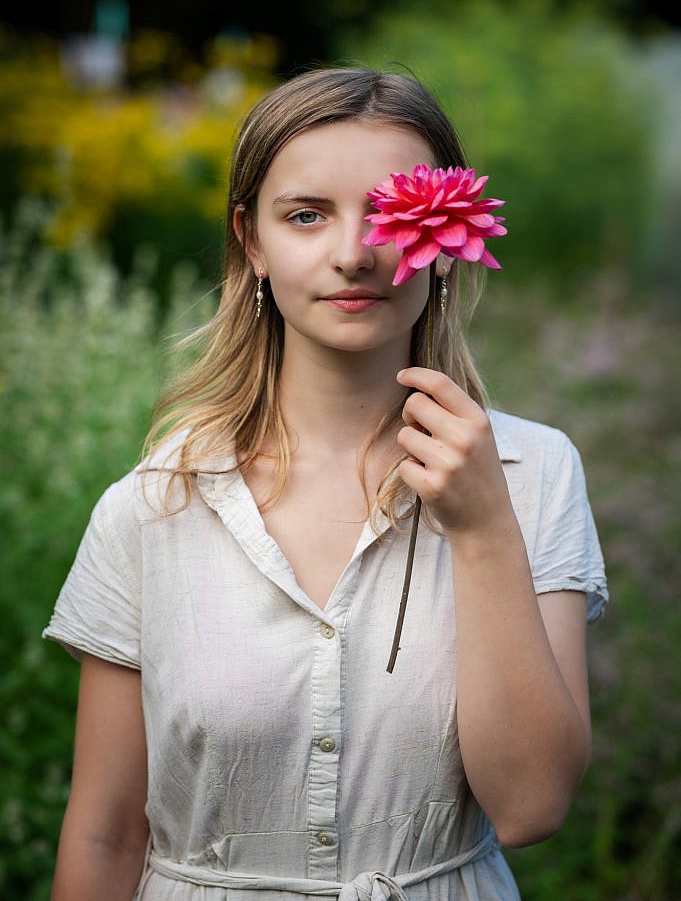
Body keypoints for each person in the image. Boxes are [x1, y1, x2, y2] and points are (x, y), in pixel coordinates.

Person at [43, 67, 608, 901]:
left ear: (448, 234)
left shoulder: (530, 474)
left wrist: (482, 525)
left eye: (390, 213)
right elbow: (104, 833)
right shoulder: (154, 505)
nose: (353, 253)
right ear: (252, 241)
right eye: (306, 215)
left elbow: (530, 807)